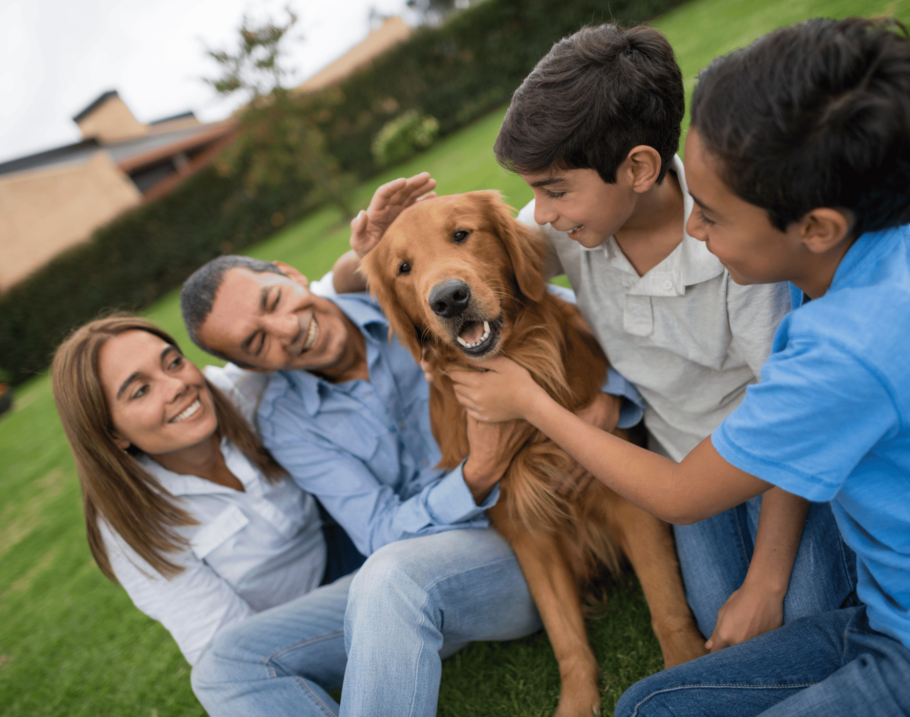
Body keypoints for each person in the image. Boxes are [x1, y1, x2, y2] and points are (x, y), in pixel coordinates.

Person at [449, 17, 910, 716]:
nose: (695, 231)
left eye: (711, 214)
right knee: (652, 702)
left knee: (781, 612)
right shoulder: (879, 262)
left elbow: (680, 494)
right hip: (899, 605)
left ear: (817, 227)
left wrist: (531, 403)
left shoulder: (841, 346)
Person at [178, 175, 642, 716]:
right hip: (460, 548)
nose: (286, 328)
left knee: (390, 576)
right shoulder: (286, 422)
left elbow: (550, 313)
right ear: (251, 367)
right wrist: (480, 471)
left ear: (290, 274)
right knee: (230, 657)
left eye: (274, 300)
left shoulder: (419, 294)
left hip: (534, 525)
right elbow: (377, 532)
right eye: (256, 342)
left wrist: (611, 397)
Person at [488, 22, 855, 651]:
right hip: (679, 460)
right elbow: (472, 267)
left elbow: (792, 422)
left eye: (553, 190)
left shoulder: (739, 250)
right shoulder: (572, 225)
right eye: (534, 194)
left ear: (636, 168)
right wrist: (362, 260)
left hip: (772, 455)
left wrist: (766, 582)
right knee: (718, 619)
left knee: (796, 612)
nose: (540, 215)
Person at [51, 315, 362, 671]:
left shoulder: (237, 392)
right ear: (114, 435)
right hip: (297, 618)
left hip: (351, 530)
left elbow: (316, 310)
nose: (176, 386)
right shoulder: (131, 521)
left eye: (174, 363)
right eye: (141, 390)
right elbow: (226, 647)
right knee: (218, 677)